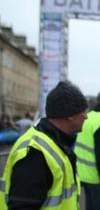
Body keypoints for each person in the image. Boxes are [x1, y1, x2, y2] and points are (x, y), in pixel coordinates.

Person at [0, 81, 88, 209]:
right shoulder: (36, 152)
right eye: (83, 112)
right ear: (70, 115)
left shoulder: (57, 143)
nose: (86, 117)